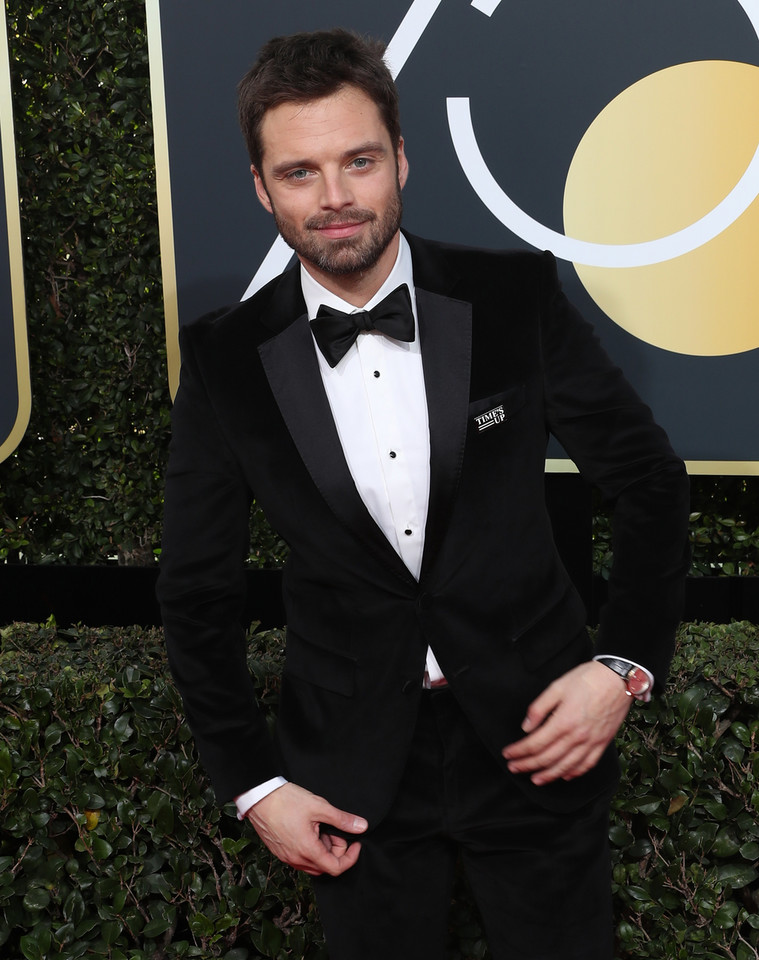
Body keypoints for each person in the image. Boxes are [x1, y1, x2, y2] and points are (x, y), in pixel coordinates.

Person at [157, 28, 690, 960]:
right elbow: (197, 594)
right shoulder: (223, 360)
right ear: (259, 186)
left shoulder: (511, 296)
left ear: (400, 158)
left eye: (358, 161)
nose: (334, 199)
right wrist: (254, 787)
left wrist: (622, 666)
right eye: (299, 172)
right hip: (351, 773)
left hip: (536, 741)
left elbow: (647, 478)